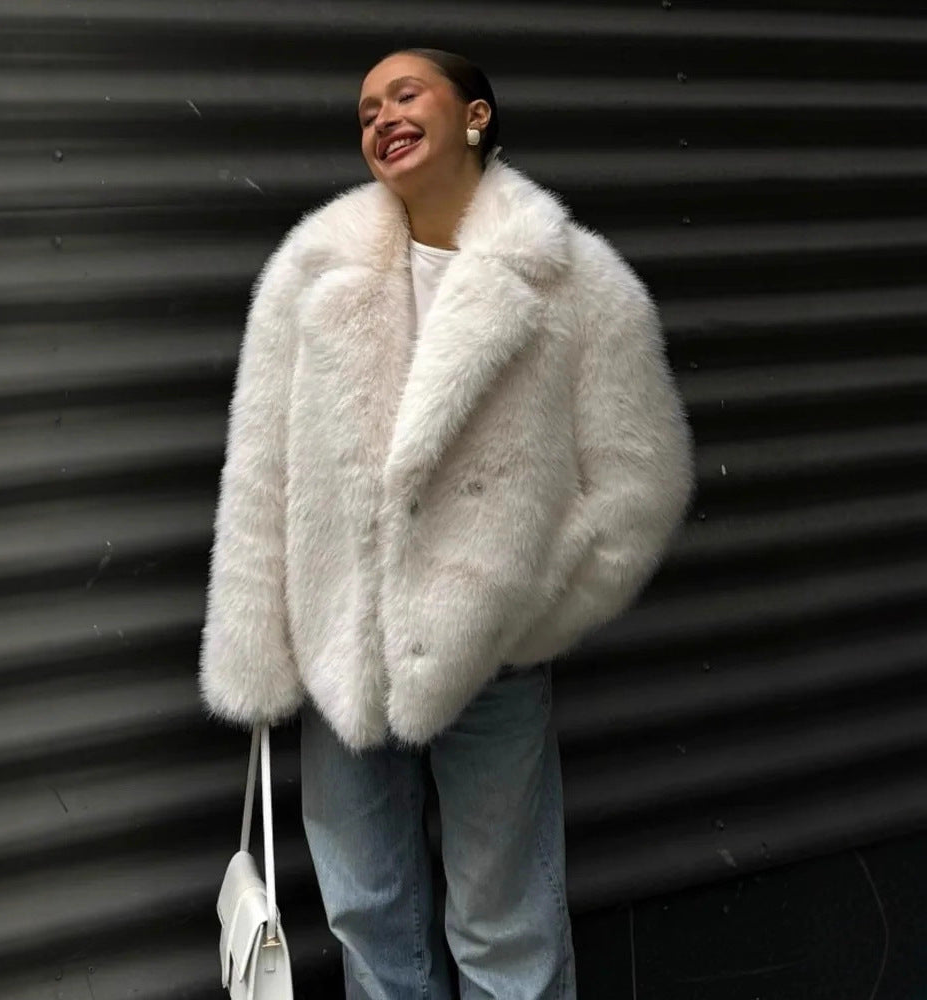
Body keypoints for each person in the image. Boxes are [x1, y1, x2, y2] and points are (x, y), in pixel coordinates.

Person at [199, 47, 694, 1000]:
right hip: (341, 645)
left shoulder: (574, 280)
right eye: (365, 107)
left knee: (505, 919)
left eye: (405, 93)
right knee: (365, 914)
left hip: (493, 665)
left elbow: (643, 480)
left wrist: (523, 611)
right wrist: (259, 650)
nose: (381, 115)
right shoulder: (312, 271)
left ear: (475, 115)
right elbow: (259, 475)